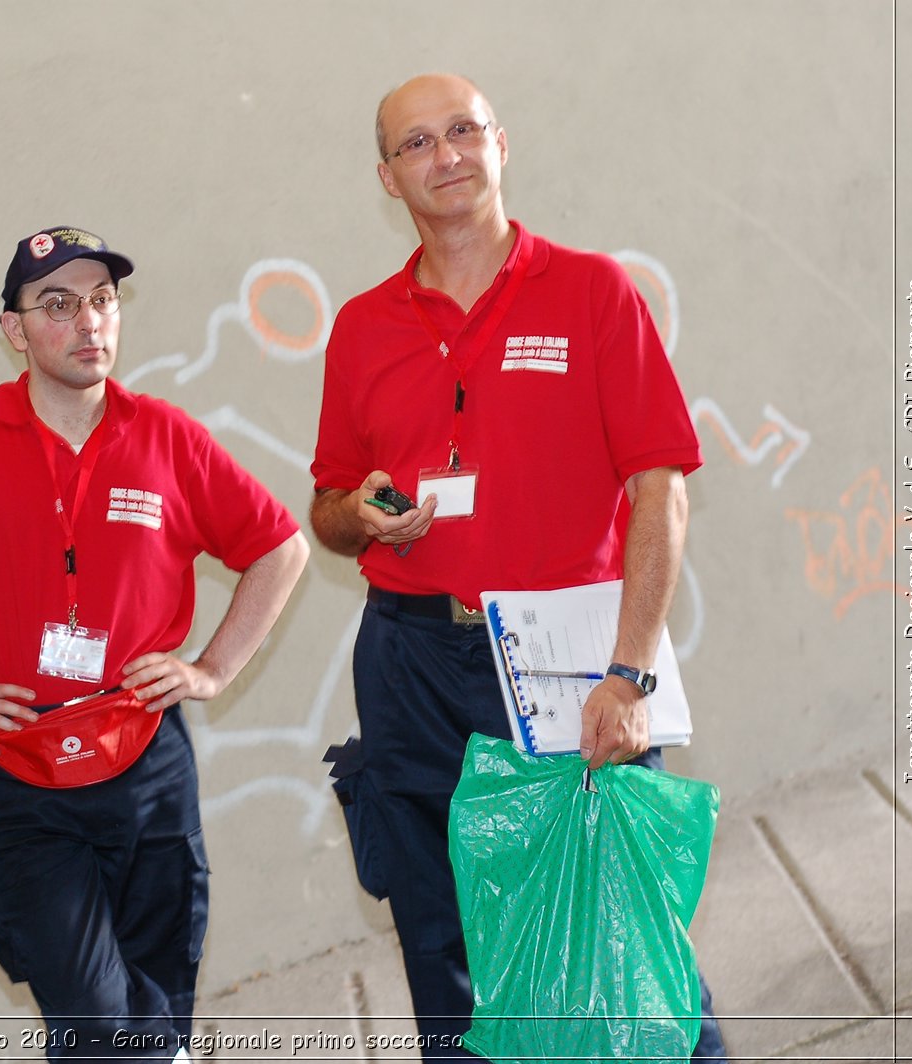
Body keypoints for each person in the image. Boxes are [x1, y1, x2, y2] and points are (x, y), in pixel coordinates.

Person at [0, 225, 309, 1061]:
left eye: (104, 300)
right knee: (100, 1020)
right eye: (59, 305)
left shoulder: (167, 438)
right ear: (14, 330)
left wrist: (212, 668)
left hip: (147, 757)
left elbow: (279, 548)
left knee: (153, 1007)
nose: (89, 323)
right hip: (20, 774)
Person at [309, 75, 727, 1060]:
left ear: (502, 144)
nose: (444, 154)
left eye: (462, 130)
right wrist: (357, 513)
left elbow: (660, 490)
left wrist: (628, 673)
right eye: (417, 143)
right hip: (408, 659)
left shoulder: (591, 290)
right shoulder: (362, 327)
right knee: (442, 939)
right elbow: (326, 508)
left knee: (621, 936)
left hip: (563, 654)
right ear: (386, 176)